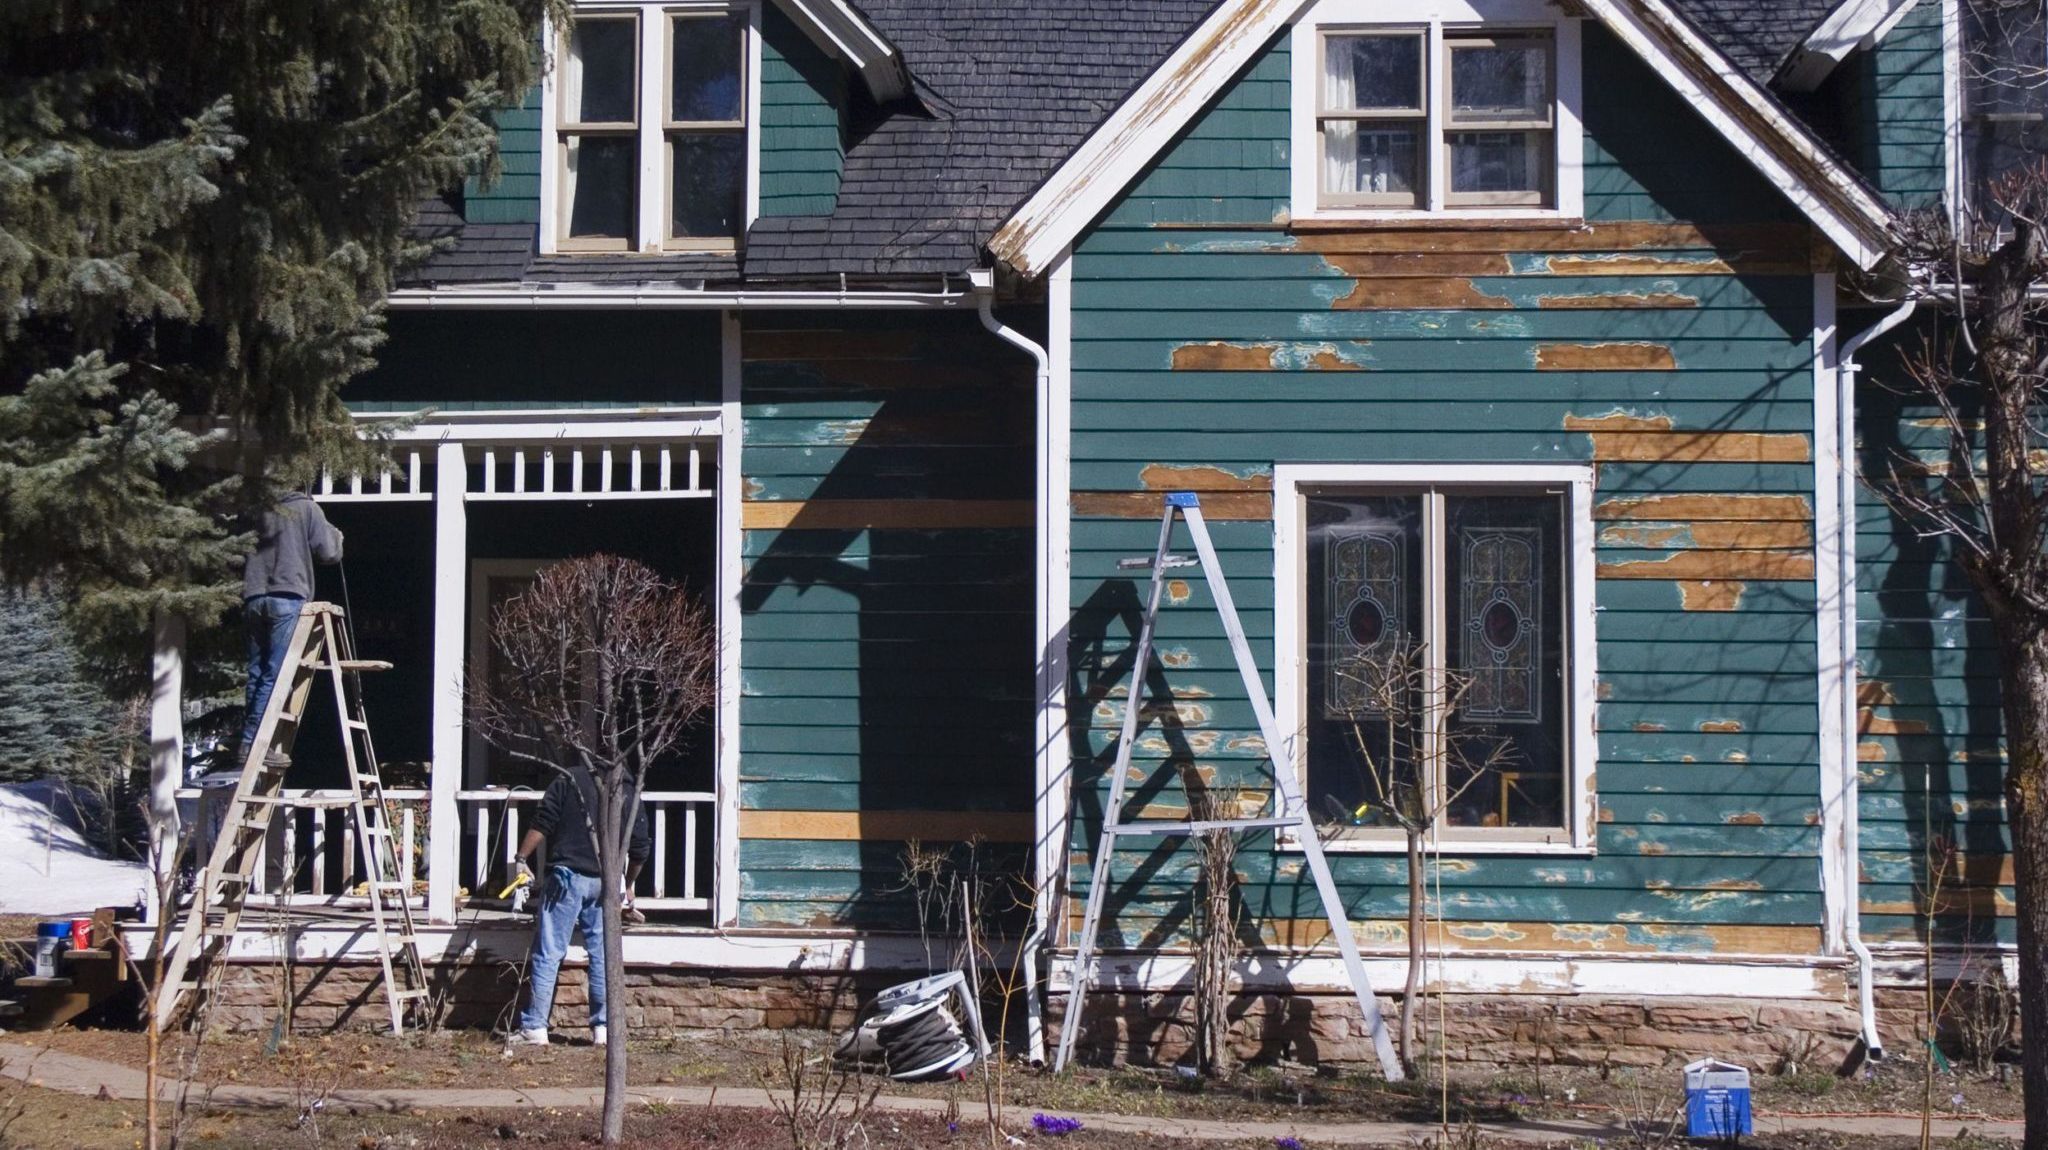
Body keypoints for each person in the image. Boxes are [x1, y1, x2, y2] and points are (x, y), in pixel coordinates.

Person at [507, 769, 650, 1047]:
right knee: (602, 954)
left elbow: (542, 822)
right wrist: (627, 883)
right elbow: (640, 847)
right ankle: (603, 1028)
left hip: (565, 877)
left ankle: (535, 1026)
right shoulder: (628, 790)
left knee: (549, 951)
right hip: (604, 882)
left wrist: (521, 858)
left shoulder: (568, 780)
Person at [240, 491, 344, 761]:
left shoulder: (255, 507)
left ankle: (248, 742)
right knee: (275, 674)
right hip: (286, 595)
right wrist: (337, 535)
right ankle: (256, 746)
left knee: (257, 673)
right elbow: (329, 553)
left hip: (253, 596)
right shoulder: (305, 507)